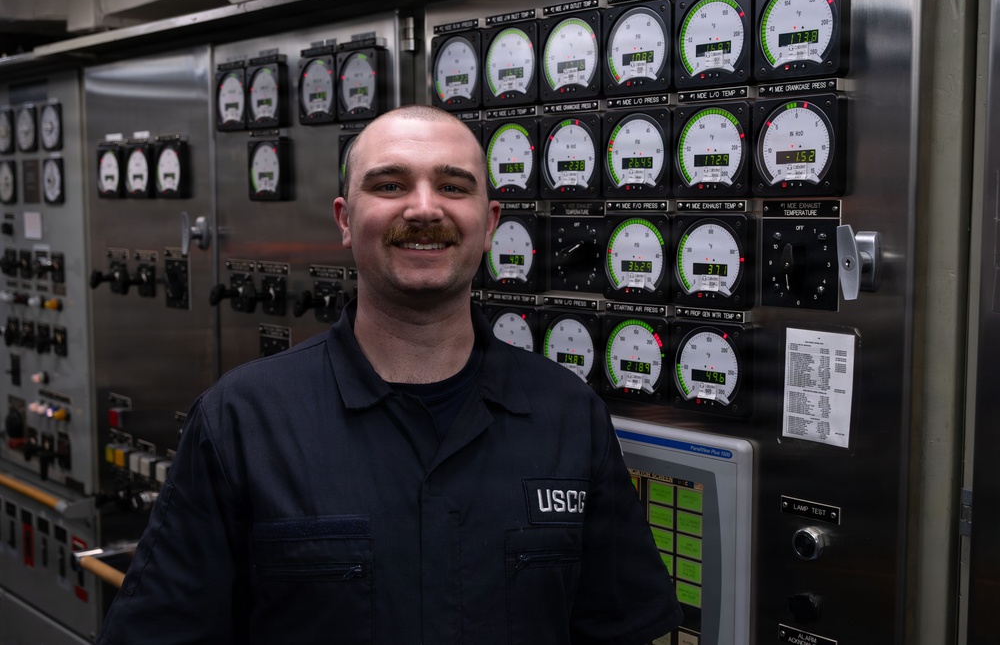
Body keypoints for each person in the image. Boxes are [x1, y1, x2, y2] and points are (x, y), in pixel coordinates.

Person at [96, 104, 682, 644]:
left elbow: (618, 629)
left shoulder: (568, 414)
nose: (424, 209)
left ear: (489, 223)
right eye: (390, 185)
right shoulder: (241, 421)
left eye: (453, 186)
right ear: (345, 219)